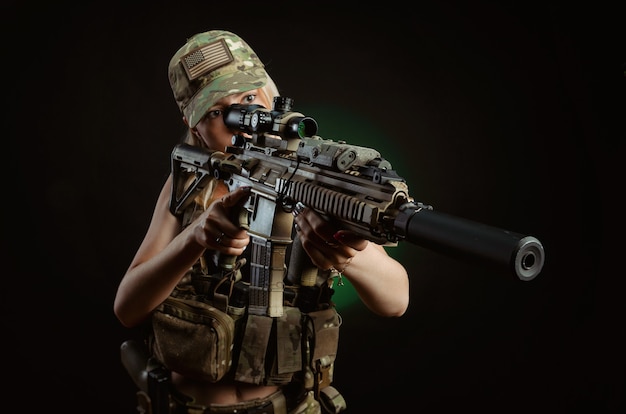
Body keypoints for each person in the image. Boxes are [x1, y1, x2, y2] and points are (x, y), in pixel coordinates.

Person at [114, 29, 410, 414]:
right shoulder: (189, 182)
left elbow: (396, 300)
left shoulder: (312, 176)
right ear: (192, 123)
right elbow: (128, 308)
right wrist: (195, 237)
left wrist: (347, 256)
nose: (242, 121)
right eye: (218, 111)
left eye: (250, 99)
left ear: (273, 97)